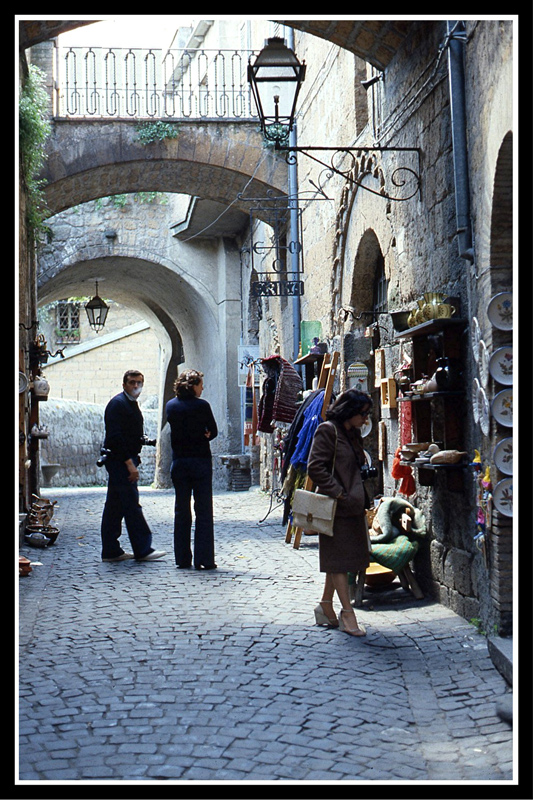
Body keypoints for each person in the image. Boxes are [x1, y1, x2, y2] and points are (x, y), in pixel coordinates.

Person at [306, 389, 373, 636]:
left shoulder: (351, 433)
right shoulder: (328, 430)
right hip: (337, 508)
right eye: (363, 414)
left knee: (341, 560)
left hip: (352, 507)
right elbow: (315, 467)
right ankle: (347, 613)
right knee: (338, 561)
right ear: (350, 411)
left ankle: (325, 605)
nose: (365, 419)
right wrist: (339, 493)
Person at [100, 370, 167, 562]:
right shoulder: (118, 404)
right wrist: (129, 464)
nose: (136, 386)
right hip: (120, 462)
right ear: (124, 384)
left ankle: (111, 551)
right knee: (131, 505)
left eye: (139, 382)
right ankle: (143, 549)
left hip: (123, 460)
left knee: (115, 506)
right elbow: (115, 438)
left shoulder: (128, 403)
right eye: (132, 382)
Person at [166, 369, 218, 570]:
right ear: (193, 385)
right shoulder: (202, 405)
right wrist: (204, 433)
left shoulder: (171, 406)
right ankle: (204, 559)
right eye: (200, 384)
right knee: (203, 510)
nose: (202, 388)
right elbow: (212, 431)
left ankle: (182, 558)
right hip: (200, 462)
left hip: (179, 462)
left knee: (181, 510)